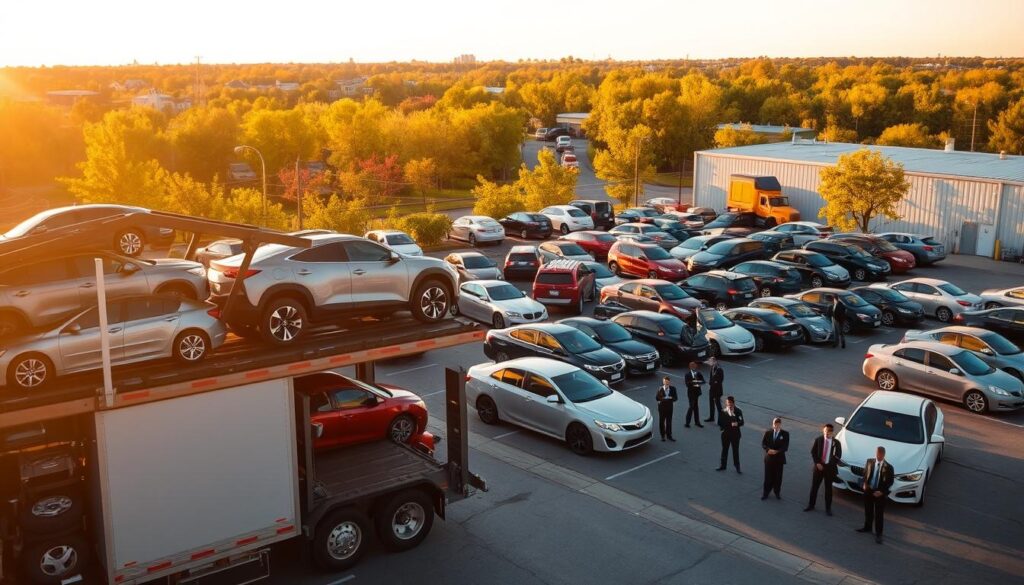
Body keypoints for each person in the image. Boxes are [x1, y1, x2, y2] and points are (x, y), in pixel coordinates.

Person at [857, 446, 894, 544]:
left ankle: (878, 534)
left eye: (880, 454)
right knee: (868, 510)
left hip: (880, 493)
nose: (878, 456)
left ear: (884, 455)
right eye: (877, 454)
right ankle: (867, 527)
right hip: (869, 491)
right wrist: (865, 483)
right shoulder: (869, 462)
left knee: (879, 514)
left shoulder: (889, 467)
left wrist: (882, 492)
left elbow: (890, 482)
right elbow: (865, 474)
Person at [805, 423, 842, 516]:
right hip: (819, 468)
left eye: (828, 432)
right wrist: (817, 463)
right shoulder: (819, 440)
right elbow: (813, 452)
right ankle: (811, 505)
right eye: (825, 431)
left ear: (832, 433)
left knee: (828, 489)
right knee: (814, 487)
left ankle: (828, 509)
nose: (826, 433)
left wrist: (830, 464)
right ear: (823, 431)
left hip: (829, 469)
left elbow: (838, 456)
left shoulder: (836, 443)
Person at [761, 417, 789, 500]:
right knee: (768, 476)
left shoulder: (785, 434)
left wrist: (776, 451)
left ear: (780, 425)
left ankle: (777, 492)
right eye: (774, 424)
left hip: (779, 459)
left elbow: (785, 447)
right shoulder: (768, 432)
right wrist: (768, 450)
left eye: (777, 424)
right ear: (772, 424)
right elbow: (763, 443)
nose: (776, 426)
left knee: (778, 477)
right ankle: (766, 493)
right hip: (769, 458)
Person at [716, 396, 744, 473]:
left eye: (731, 403)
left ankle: (737, 466)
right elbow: (719, 423)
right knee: (724, 450)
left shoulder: (738, 411)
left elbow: (742, 422)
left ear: (733, 403)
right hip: (725, 434)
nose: (729, 405)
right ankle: (723, 465)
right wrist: (724, 428)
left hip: (735, 435)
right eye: (728, 403)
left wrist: (737, 423)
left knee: (735, 451)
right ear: (726, 403)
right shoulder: (723, 411)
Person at [655, 376, 678, 441]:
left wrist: (671, 398)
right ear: (663, 382)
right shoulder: (660, 389)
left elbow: (676, 398)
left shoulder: (673, 389)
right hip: (662, 408)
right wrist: (663, 399)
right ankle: (662, 436)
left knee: (669, 422)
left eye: (667, 382)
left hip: (669, 408)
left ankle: (669, 435)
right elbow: (657, 398)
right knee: (661, 422)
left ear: (669, 382)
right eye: (665, 382)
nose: (666, 383)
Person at [683, 362, 705, 428]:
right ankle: (687, 422)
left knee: (696, 407)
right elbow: (687, 384)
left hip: (697, 392)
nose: (693, 367)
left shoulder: (698, 373)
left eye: (694, 365)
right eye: (692, 366)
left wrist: (698, 382)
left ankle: (697, 422)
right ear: (690, 367)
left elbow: (703, 381)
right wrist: (695, 382)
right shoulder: (687, 374)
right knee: (691, 406)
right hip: (691, 393)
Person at [704, 357, 724, 423]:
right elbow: (711, 378)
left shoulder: (719, 369)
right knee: (711, 404)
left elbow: (720, 380)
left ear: (714, 362)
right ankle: (711, 417)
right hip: (712, 390)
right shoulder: (712, 368)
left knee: (718, 406)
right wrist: (710, 383)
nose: (709, 363)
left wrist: (714, 382)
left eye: (710, 361)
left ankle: (721, 420)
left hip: (717, 391)